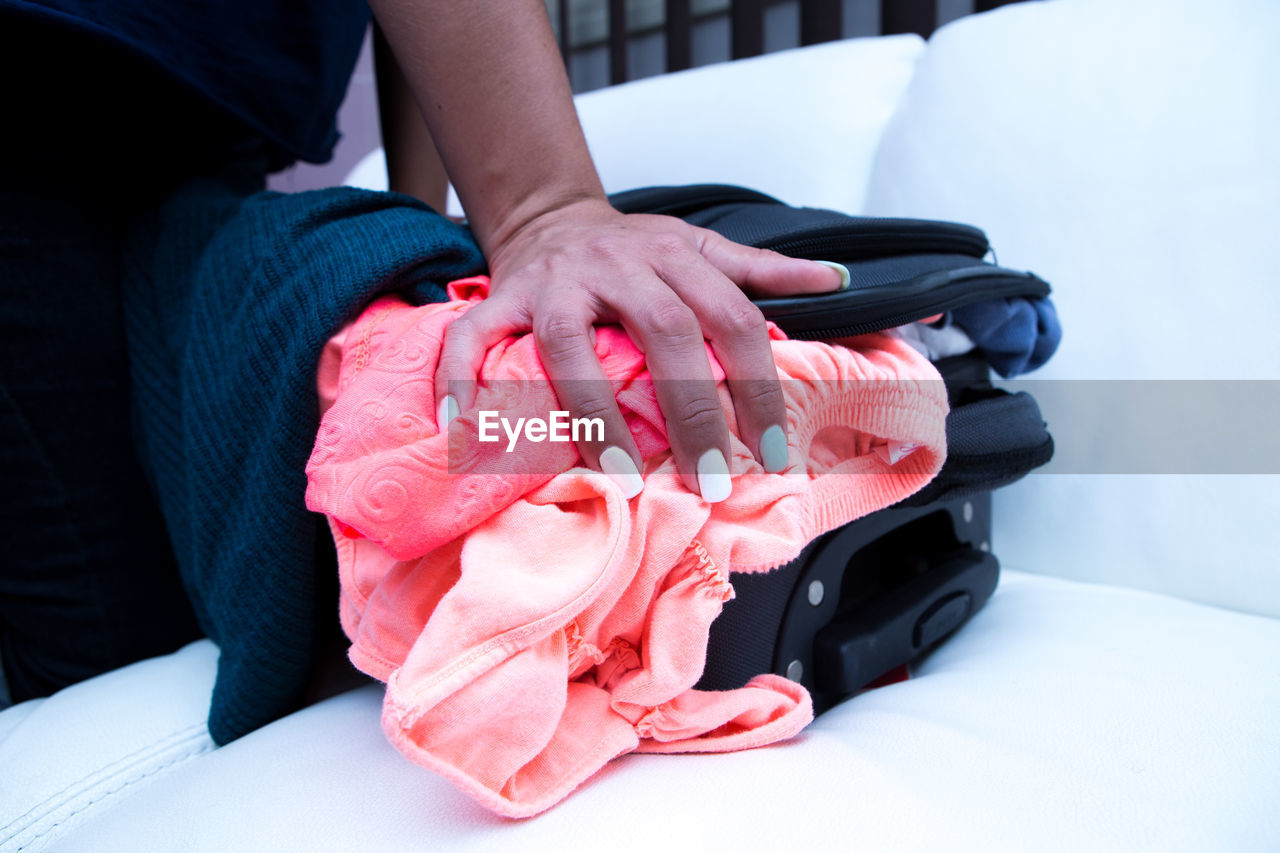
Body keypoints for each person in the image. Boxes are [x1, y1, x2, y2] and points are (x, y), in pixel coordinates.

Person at [0, 0, 845, 723]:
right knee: (104, 633)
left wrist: (453, 232)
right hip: (41, 86)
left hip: (208, 115)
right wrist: (541, 211)